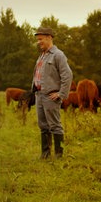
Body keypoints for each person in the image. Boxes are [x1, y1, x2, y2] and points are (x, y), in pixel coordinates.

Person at [31, 27, 73, 159]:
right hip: (39, 95)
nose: (39, 42)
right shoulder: (42, 55)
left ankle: (59, 156)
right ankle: (45, 155)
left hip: (51, 96)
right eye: (38, 40)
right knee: (43, 126)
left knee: (55, 126)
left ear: (49, 37)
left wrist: (61, 94)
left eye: (41, 39)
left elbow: (67, 75)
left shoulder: (58, 55)